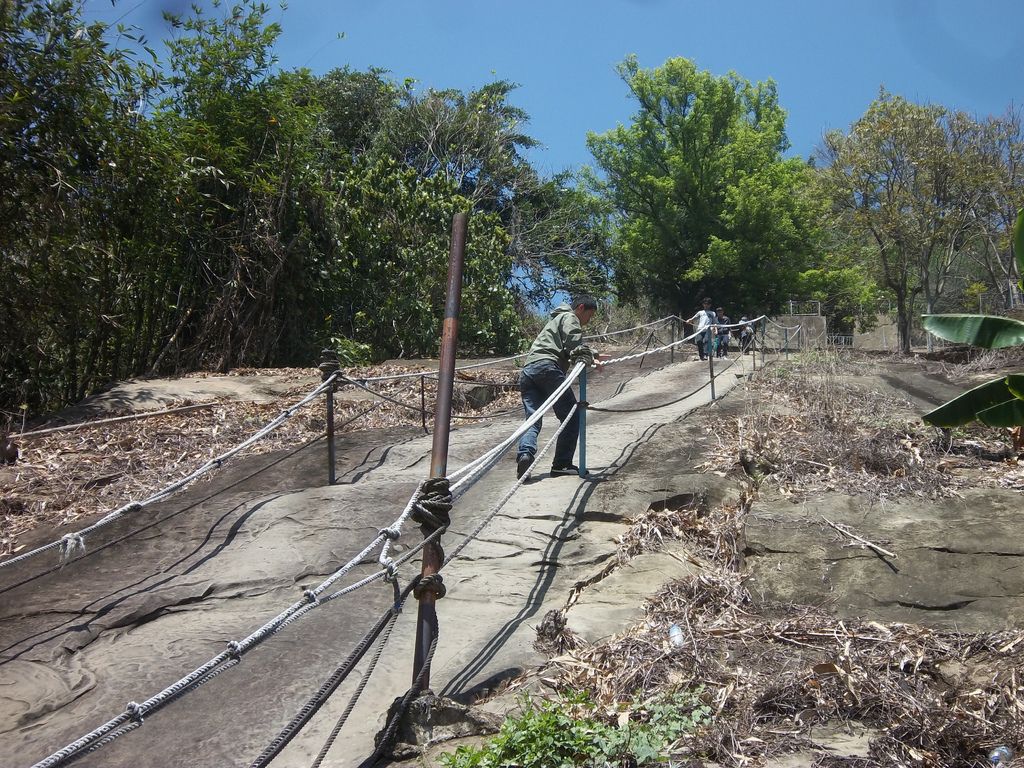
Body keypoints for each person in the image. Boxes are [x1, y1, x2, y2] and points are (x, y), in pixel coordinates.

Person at [516, 295, 604, 479]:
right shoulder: (570, 317)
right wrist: (590, 355)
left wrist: (592, 354)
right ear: (581, 307)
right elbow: (574, 344)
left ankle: (525, 454)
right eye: (590, 314)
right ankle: (561, 464)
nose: (589, 320)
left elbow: (566, 349)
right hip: (548, 368)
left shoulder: (555, 320)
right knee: (572, 415)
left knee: (533, 417)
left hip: (529, 370)